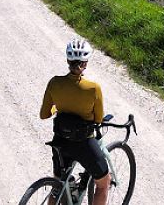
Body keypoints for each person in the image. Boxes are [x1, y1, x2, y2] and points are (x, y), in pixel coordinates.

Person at [39, 38, 110, 205]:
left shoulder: (55, 83)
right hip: (83, 143)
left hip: (60, 141)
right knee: (103, 183)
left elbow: (44, 114)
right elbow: (99, 119)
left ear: (67, 60)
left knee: (58, 186)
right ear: (85, 63)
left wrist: (57, 108)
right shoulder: (93, 88)